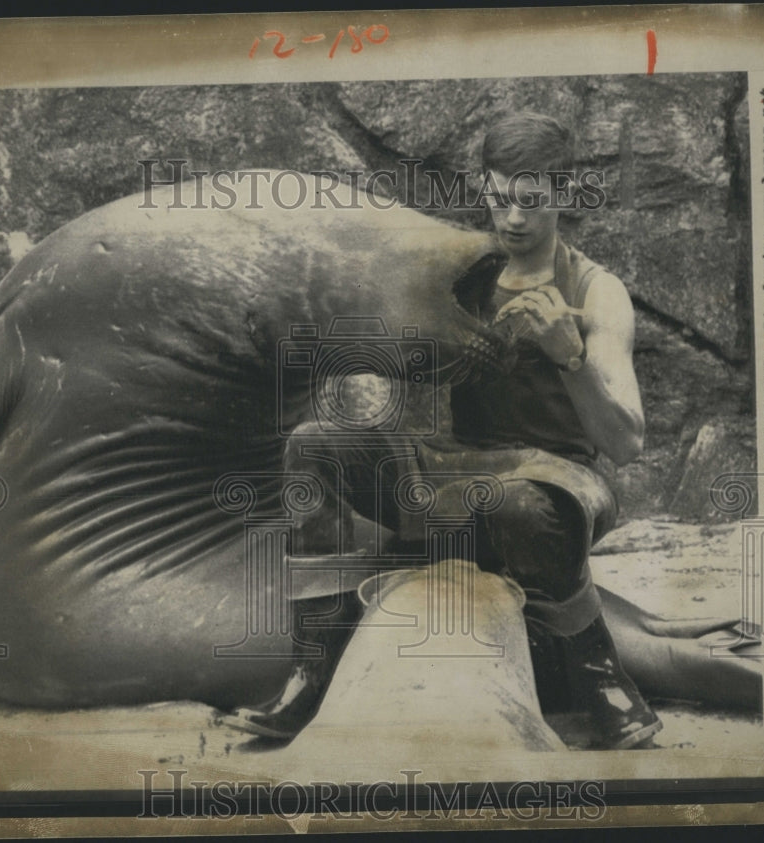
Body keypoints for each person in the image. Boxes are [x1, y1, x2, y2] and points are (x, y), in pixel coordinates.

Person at [226, 111, 663, 750]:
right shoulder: (464, 275)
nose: (511, 219)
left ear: (563, 196)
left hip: (557, 480)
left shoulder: (598, 292)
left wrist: (568, 356)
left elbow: (625, 443)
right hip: (454, 471)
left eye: (530, 203)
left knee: (522, 501)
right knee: (315, 441)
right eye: (498, 199)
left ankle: (600, 676)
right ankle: (315, 661)